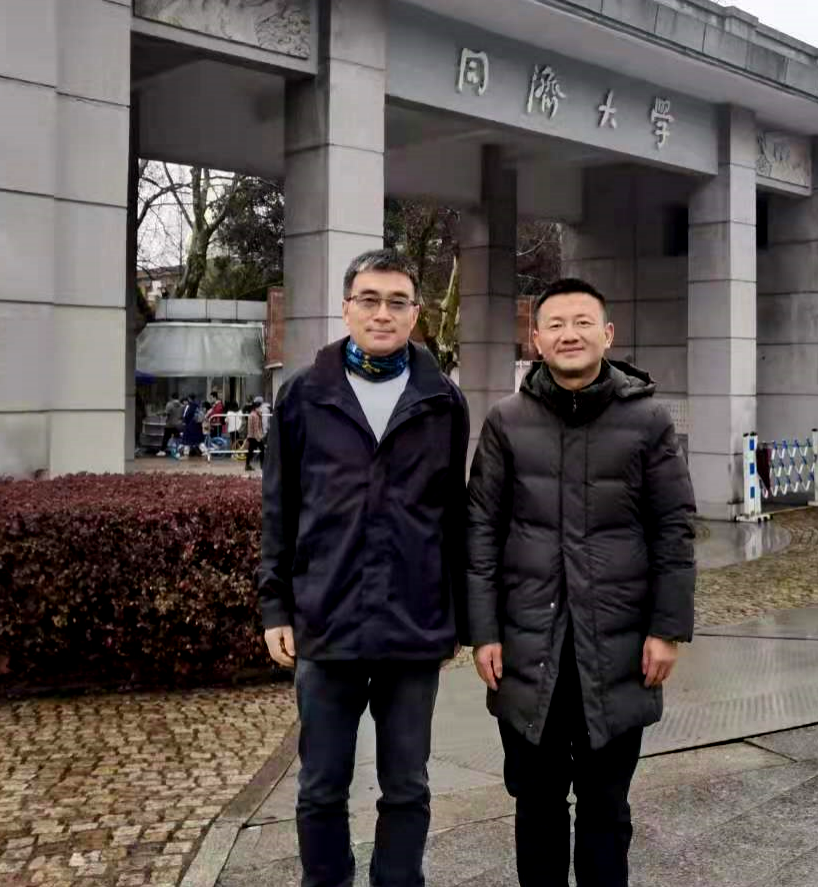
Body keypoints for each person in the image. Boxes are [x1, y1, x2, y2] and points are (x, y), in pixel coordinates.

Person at [466, 278, 696, 887]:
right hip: (528, 648)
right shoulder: (506, 421)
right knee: (536, 805)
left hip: (618, 649)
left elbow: (673, 529)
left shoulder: (648, 420)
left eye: (583, 322)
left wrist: (668, 629)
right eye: (556, 324)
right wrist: (483, 632)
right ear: (536, 339)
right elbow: (481, 532)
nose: (570, 334)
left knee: (606, 809)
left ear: (607, 334)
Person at [258, 249, 469, 887]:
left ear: (416, 313)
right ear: (347, 307)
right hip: (327, 619)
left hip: (413, 624)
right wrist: (275, 606)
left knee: (407, 785)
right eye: (369, 300)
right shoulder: (304, 394)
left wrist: (460, 620)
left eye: (397, 302)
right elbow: (280, 508)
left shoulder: (442, 400)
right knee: (321, 786)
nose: (382, 313)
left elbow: (453, 517)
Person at [245, 399, 265, 471]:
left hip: (251, 435)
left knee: (250, 451)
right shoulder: (255, 416)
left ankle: (247, 465)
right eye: (260, 407)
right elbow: (256, 427)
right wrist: (259, 437)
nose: (261, 408)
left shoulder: (252, 414)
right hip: (255, 436)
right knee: (262, 449)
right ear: (257, 407)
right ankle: (262, 465)